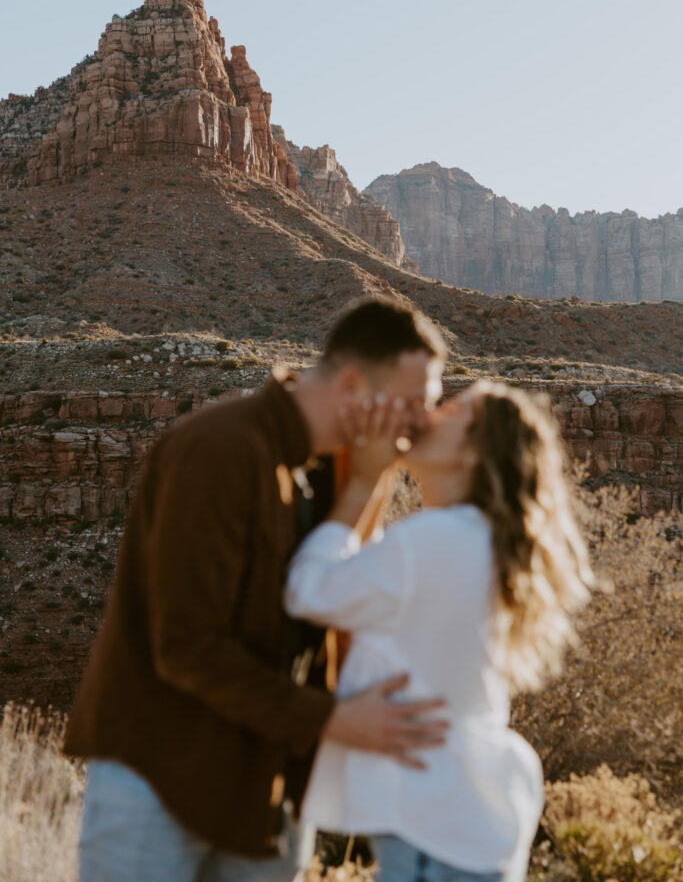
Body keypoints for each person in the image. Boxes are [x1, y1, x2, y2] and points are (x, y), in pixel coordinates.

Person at [63, 297, 450, 882]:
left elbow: (331, 596)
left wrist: (371, 480)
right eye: (416, 404)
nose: (423, 425)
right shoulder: (219, 448)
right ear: (352, 385)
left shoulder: (334, 470)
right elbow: (187, 646)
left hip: (262, 789)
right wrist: (336, 721)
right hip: (161, 781)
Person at [285, 379, 594, 882]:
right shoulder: (475, 539)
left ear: (472, 452)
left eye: (453, 410)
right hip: (460, 823)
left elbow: (309, 590)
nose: (430, 412)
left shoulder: (435, 540)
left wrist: (364, 483)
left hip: (434, 831)